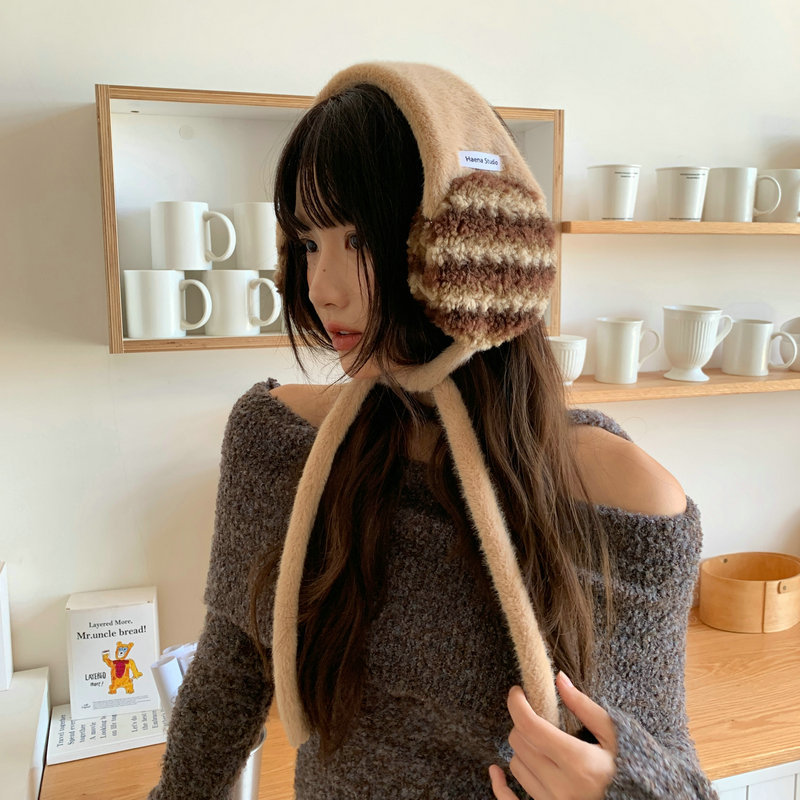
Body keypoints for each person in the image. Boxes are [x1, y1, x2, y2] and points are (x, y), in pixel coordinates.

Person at [148, 62, 718, 799]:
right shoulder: (280, 443)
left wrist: (622, 788)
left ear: (473, 246)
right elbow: (228, 682)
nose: (321, 289)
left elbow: (672, 761)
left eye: (358, 240)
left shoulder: (622, 498)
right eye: (309, 243)